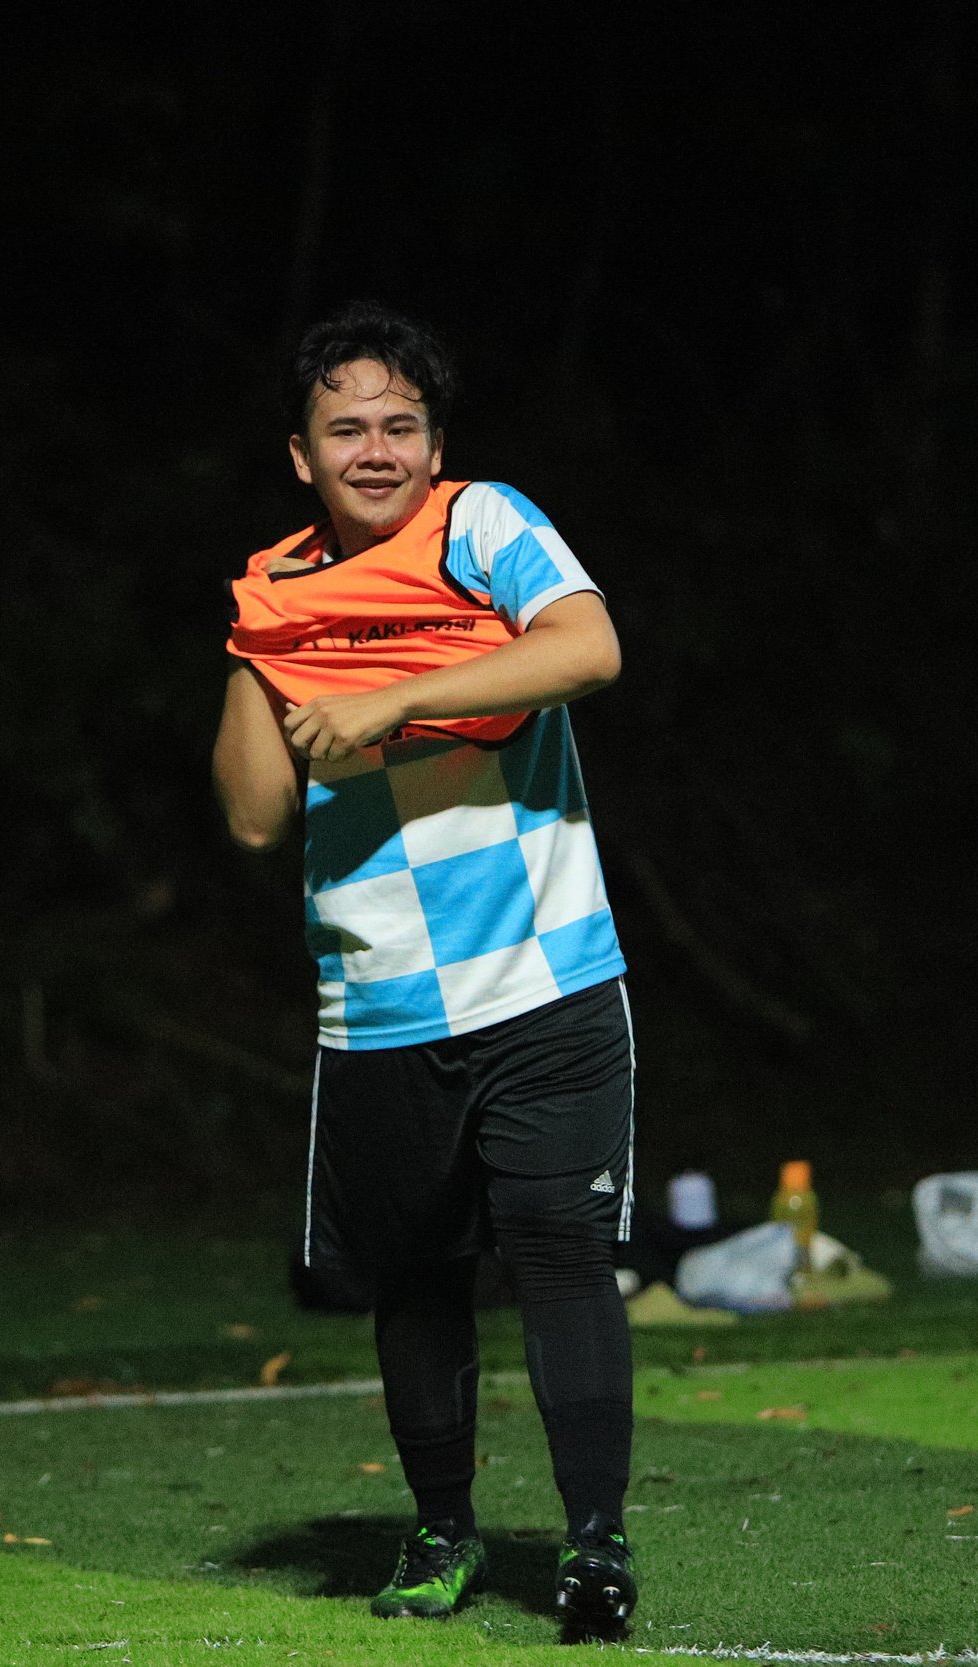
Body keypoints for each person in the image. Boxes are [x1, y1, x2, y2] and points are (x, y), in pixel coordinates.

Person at [213, 302, 640, 1630]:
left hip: (545, 976)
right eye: (347, 428)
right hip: (379, 998)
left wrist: (390, 699)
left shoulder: (482, 527)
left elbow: (590, 648)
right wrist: (258, 646)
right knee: (416, 1279)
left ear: (437, 444)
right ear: (302, 455)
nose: (378, 448)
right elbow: (253, 815)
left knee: (561, 1255)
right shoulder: (282, 592)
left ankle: (594, 1548)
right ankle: (443, 1534)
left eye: (402, 424)